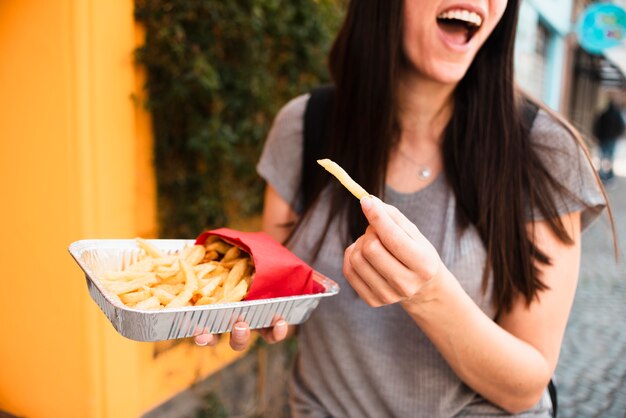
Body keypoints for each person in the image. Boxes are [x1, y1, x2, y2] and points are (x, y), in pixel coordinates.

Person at [195, 1, 608, 416]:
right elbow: (276, 292)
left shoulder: (545, 151)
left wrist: (430, 295)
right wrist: (233, 305)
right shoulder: (303, 127)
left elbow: (525, 388)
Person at [593, 98, 625, 184]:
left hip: (604, 138)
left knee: (603, 156)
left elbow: (597, 126)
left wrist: (597, 136)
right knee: (609, 156)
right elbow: (621, 126)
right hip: (611, 139)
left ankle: (603, 174)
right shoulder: (617, 115)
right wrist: (617, 135)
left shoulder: (604, 114)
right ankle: (608, 174)